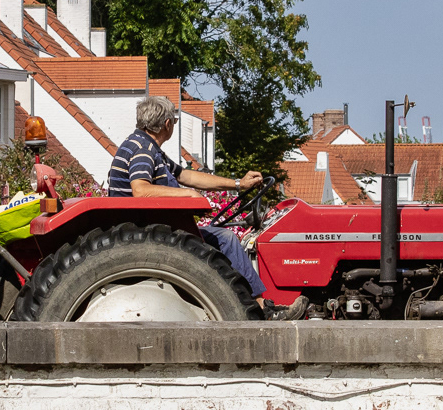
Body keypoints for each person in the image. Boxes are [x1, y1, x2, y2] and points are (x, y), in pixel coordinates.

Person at [108, 94, 302, 319]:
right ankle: (260, 308)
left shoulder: (146, 146)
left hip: (156, 226)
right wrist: (186, 195)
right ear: (167, 124)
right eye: (175, 121)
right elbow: (140, 189)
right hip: (153, 229)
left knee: (223, 236)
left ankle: (257, 305)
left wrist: (238, 184)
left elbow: (186, 175)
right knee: (227, 239)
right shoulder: (143, 149)